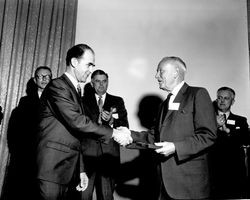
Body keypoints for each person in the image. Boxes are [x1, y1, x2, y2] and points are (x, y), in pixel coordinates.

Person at [35, 44, 131, 200]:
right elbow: (78, 122)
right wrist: (113, 132)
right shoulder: (58, 86)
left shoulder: (74, 90)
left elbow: (75, 136)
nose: (90, 70)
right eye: (89, 64)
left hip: (66, 168)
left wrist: (80, 170)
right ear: (74, 62)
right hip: (52, 168)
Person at [116, 56, 217, 199]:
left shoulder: (197, 94)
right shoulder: (164, 104)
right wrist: (129, 134)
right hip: (164, 185)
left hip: (189, 186)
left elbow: (208, 135)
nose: (156, 76)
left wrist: (176, 147)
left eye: (160, 71)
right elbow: (154, 136)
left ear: (175, 72)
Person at [2, 66, 52, 199]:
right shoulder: (24, 103)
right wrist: (17, 152)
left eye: (47, 77)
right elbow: (13, 133)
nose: (44, 79)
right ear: (35, 80)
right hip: (25, 159)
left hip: (48, 159)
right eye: (40, 76)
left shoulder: (58, 102)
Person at [81, 69, 129, 200]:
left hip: (109, 157)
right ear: (91, 83)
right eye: (97, 81)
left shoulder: (117, 101)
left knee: (106, 196)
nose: (101, 85)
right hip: (86, 156)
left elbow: (125, 126)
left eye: (104, 81)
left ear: (108, 82)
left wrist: (112, 121)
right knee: (83, 195)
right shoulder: (82, 101)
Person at [210, 87, 249, 199]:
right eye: (219, 98)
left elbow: (245, 139)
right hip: (213, 169)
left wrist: (228, 131)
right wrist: (215, 125)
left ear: (232, 101)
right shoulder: (207, 120)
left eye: (226, 98)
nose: (222, 101)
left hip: (234, 170)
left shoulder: (241, 120)